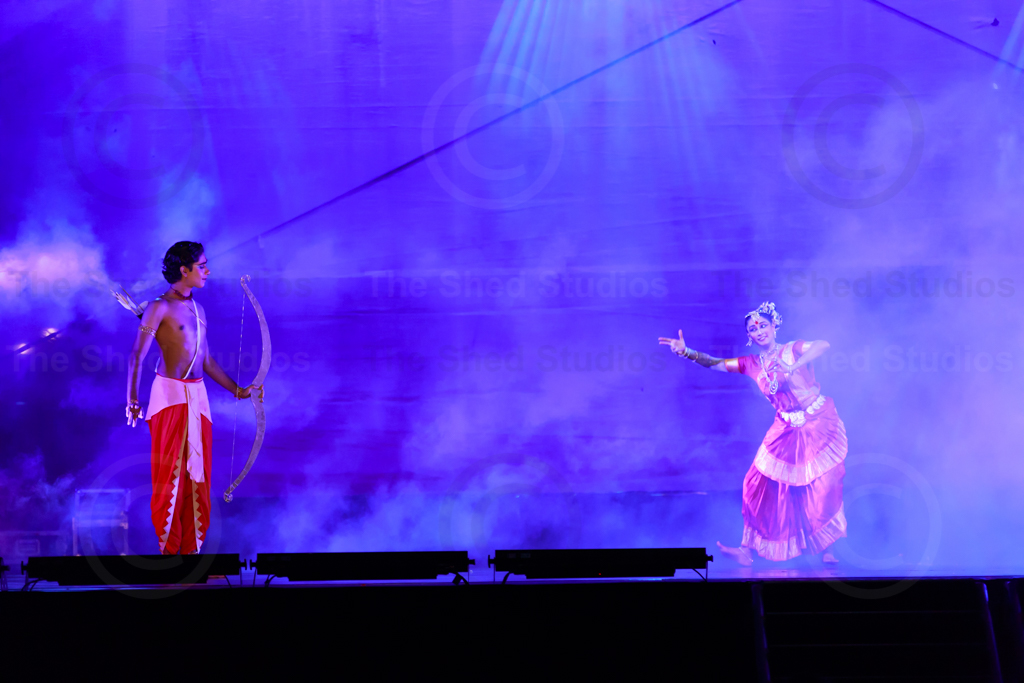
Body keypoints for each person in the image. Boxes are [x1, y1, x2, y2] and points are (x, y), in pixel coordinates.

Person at [658, 302, 846, 565]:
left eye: (763, 325)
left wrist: (794, 366)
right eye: (753, 329)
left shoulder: (792, 349)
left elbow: (822, 345)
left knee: (820, 484)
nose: (759, 331)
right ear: (749, 336)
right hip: (785, 427)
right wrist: (687, 352)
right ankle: (746, 549)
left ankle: (829, 549)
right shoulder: (751, 363)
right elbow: (715, 363)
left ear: (774, 326)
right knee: (754, 483)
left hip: (816, 420)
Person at [126, 241, 264, 554]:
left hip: (198, 398)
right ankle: (169, 553)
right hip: (170, 398)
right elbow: (137, 355)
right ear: (184, 270)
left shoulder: (199, 310)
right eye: (201, 266)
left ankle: (192, 552)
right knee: (170, 476)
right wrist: (132, 399)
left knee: (197, 476)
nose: (207, 271)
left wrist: (239, 391)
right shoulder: (158, 307)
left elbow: (207, 361)